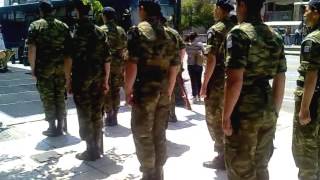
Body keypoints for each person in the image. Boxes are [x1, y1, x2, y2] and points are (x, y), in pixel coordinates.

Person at [223, 0, 287, 179]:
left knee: (240, 168)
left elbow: (235, 81)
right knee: (261, 166)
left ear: (242, 4)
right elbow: (280, 78)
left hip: (244, 111)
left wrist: (226, 117)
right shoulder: (274, 35)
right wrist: (275, 111)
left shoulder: (238, 33)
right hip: (267, 107)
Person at [124, 0, 180, 179]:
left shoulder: (137, 31)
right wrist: (170, 90)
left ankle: (148, 173)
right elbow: (175, 67)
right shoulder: (171, 34)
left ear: (142, 10)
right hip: (164, 90)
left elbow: (131, 65)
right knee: (159, 131)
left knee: (142, 132)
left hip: (144, 91)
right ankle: (159, 171)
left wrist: (128, 90)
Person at [65, 0, 111, 161]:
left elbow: (69, 59)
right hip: (98, 78)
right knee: (97, 112)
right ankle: (96, 146)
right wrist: (106, 80)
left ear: (78, 11)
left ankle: (90, 149)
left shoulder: (76, 32)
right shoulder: (100, 32)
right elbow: (107, 59)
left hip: (81, 79)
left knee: (84, 113)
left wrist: (68, 80)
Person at [27, 0, 71, 137]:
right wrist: (68, 73)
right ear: (52, 11)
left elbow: (31, 49)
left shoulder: (35, 26)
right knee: (60, 96)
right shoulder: (63, 26)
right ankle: (61, 125)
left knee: (48, 98)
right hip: (60, 69)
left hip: (44, 69)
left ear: (41, 11)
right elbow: (69, 53)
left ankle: (52, 127)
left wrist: (33, 68)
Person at [200, 0, 235, 170]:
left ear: (220, 9)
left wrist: (204, 84)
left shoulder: (216, 29)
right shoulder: (238, 26)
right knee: (232, 117)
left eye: (215, 8)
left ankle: (222, 156)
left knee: (215, 118)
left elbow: (211, 59)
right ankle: (232, 153)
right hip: (237, 80)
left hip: (219, 82)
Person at [292, 1, 320, 179]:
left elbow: (311, 76)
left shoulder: (313, 39)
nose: (304, 14)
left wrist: (304, 109)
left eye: (307, 10)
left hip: (314, 101)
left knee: (306, 153)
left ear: (317, 13)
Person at [100, 7, 127, 127]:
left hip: (104, 66)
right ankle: (115, 116)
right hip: (118, 65)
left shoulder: (101, 30)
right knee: (116, 90)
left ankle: (108, 114)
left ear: (104, 16)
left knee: (106, 90)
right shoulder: (121, 30)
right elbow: (125, 49)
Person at [161, 16, 187, 123]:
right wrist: (179, 64)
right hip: (173, 66)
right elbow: (183, 48)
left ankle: (163, 115)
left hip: (161, 67)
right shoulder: (174, 32)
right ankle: (172, 115)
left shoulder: (158, 31)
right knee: (171, 91)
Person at [186, 32, 204, 103]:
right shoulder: (200, 44)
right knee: (199, 80)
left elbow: (187, 52)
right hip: (199, 64)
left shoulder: (187, 45)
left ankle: (194, 97)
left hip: (190, 65)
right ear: (196, 37)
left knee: (193, 80)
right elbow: (204, 52)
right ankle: (199, 96)